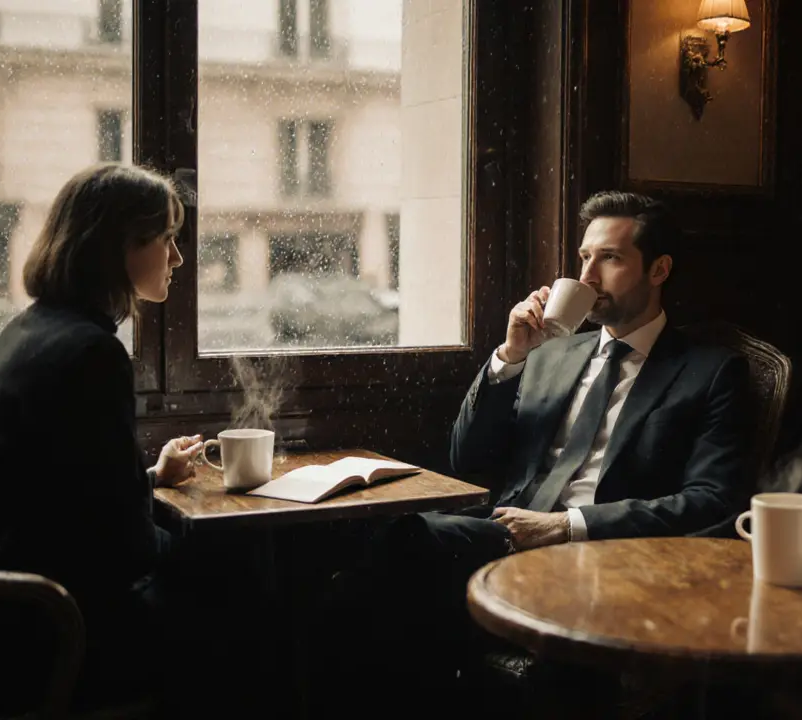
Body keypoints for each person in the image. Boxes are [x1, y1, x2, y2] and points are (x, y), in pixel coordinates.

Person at [322, 190, 753, 709]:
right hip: (503, 532)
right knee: (362, 559)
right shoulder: (551, 353)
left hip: (605, 557)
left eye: (610, 258)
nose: (588, 276)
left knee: (393, 563)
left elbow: (712, 499)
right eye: (583, 258)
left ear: (659, 269)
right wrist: (509, 357)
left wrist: (566, 526)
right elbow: (466, 460)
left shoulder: (710, 371)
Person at [0, 164, 203, 715]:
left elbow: (55, 491)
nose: (177, 258)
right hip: (27, 627)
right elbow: (128, 550)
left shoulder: (28, 329)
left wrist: (148, 480)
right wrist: (196, 539)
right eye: (168, 239)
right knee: (239, 594)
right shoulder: (93, 352)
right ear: (123, 245)